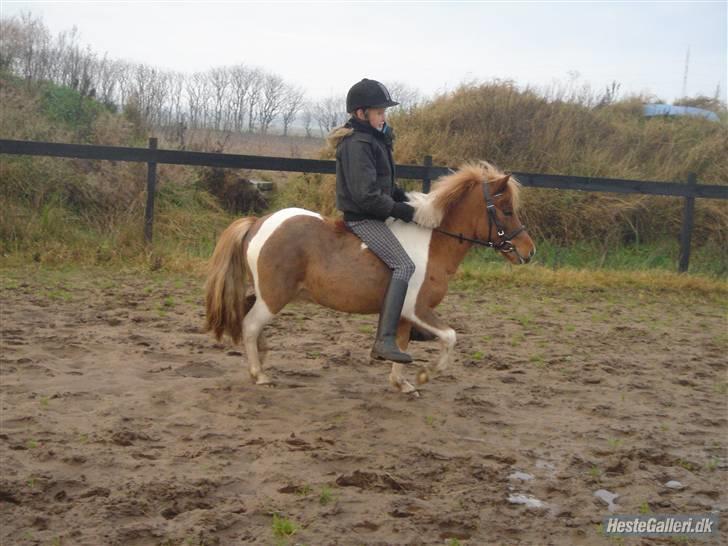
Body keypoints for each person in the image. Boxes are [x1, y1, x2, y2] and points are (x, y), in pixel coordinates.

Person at [328, 78, 417, 364]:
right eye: (379, 112)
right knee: (404, 265)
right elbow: (366, 196)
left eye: (384, 112)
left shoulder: (376, 139)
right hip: (364, 218)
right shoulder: (357, 144)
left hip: (378, 212)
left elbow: (384, 184)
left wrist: (405, 199)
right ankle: (384, 340)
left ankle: (408, 320)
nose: (384, 117)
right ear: (360, 113)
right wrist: (399, 211)